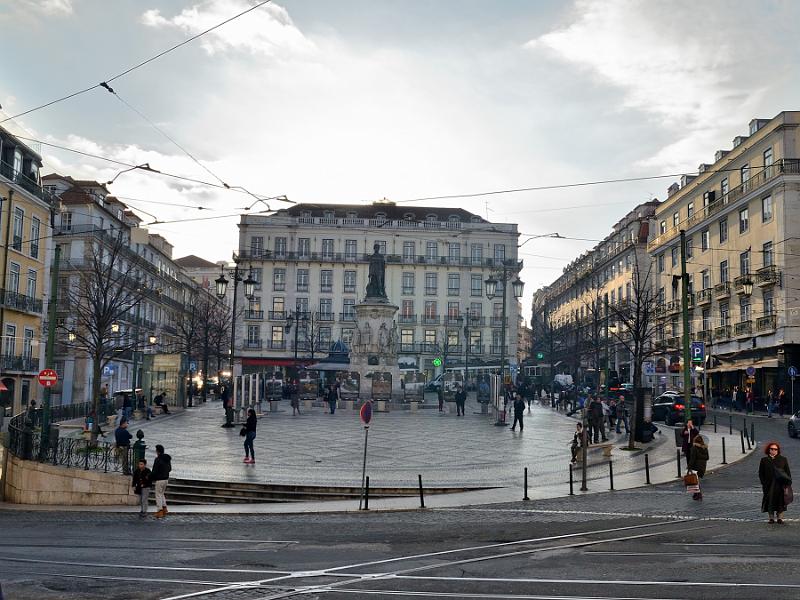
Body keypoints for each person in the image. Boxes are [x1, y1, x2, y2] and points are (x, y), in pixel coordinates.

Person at [759, 442, 792, 524]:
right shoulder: (764, 460)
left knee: (780, 501)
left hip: (780, 485)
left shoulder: (783, 459)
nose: (774, 450)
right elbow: (761, 473)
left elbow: (788, 473)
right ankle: (771, 518)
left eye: (775, 449)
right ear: (768, 450)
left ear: (778, 450)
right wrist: (764, 483)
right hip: (768, 485)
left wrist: (787, 484)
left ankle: (780, 518)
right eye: (772, 449)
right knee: (769, 501)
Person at [151, 444, 172, 519]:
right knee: (162, 494)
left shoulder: (158, 459)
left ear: (158, 451)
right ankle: (164, 508)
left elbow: (154, 470)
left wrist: (150, 477)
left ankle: (159, 511)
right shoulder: (167, 459)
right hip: (166, 479)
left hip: (159, 479)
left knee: (158, 495)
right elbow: (170, 469)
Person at [687, 435, 709, 501]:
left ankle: (699, 494)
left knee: (695, 481)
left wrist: (689, 467)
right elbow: (707, 457)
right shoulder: (705, 448)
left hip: (696, 466)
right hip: (702, 467)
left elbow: (692, 459)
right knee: (696, 480)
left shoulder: (694, 448)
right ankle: (696, 494)